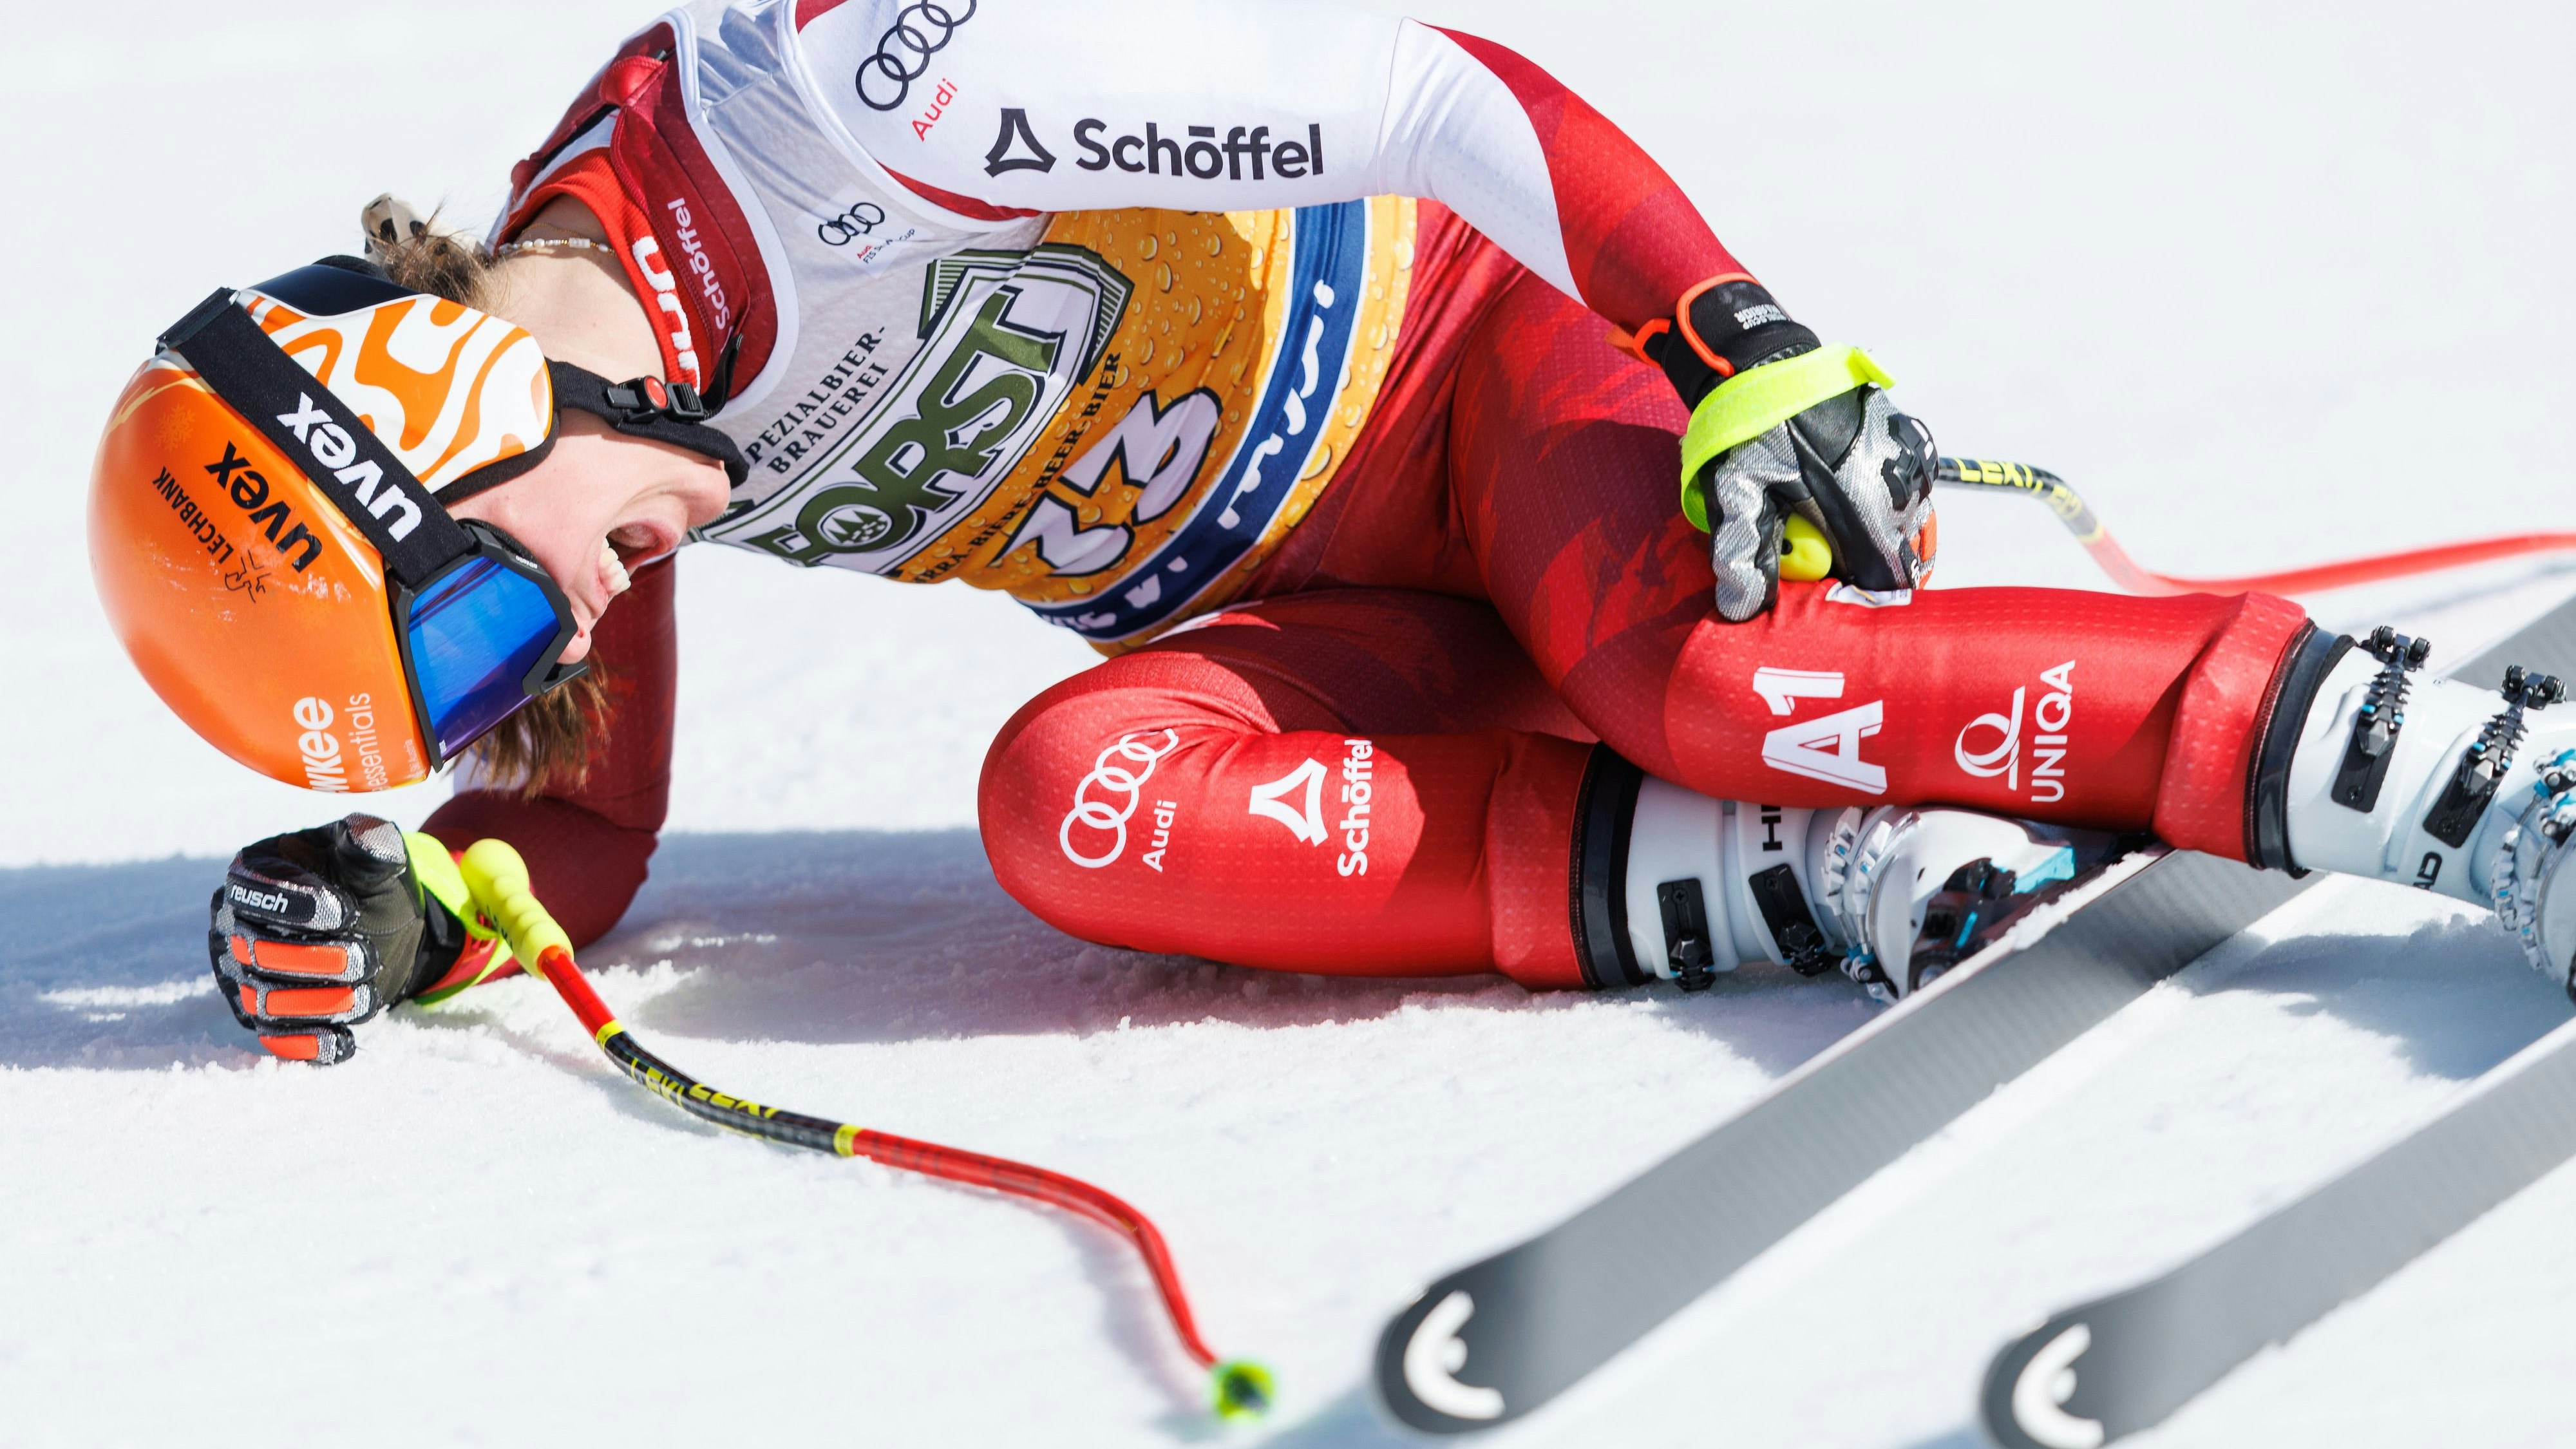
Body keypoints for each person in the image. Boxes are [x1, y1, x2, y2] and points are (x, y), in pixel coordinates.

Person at [90, 0, 2576, 1065]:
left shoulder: (833, 101)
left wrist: (1731, 338)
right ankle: (1813, 859)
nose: (570, 637)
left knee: (1689, 670)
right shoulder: (595, 442)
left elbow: (1428, 92)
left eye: (498, 604)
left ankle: (2457, 776)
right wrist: (416, 899)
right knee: (1078, 809)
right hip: (1319, 615)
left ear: (431, 399)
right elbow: (582, 825)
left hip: (1495, 388)